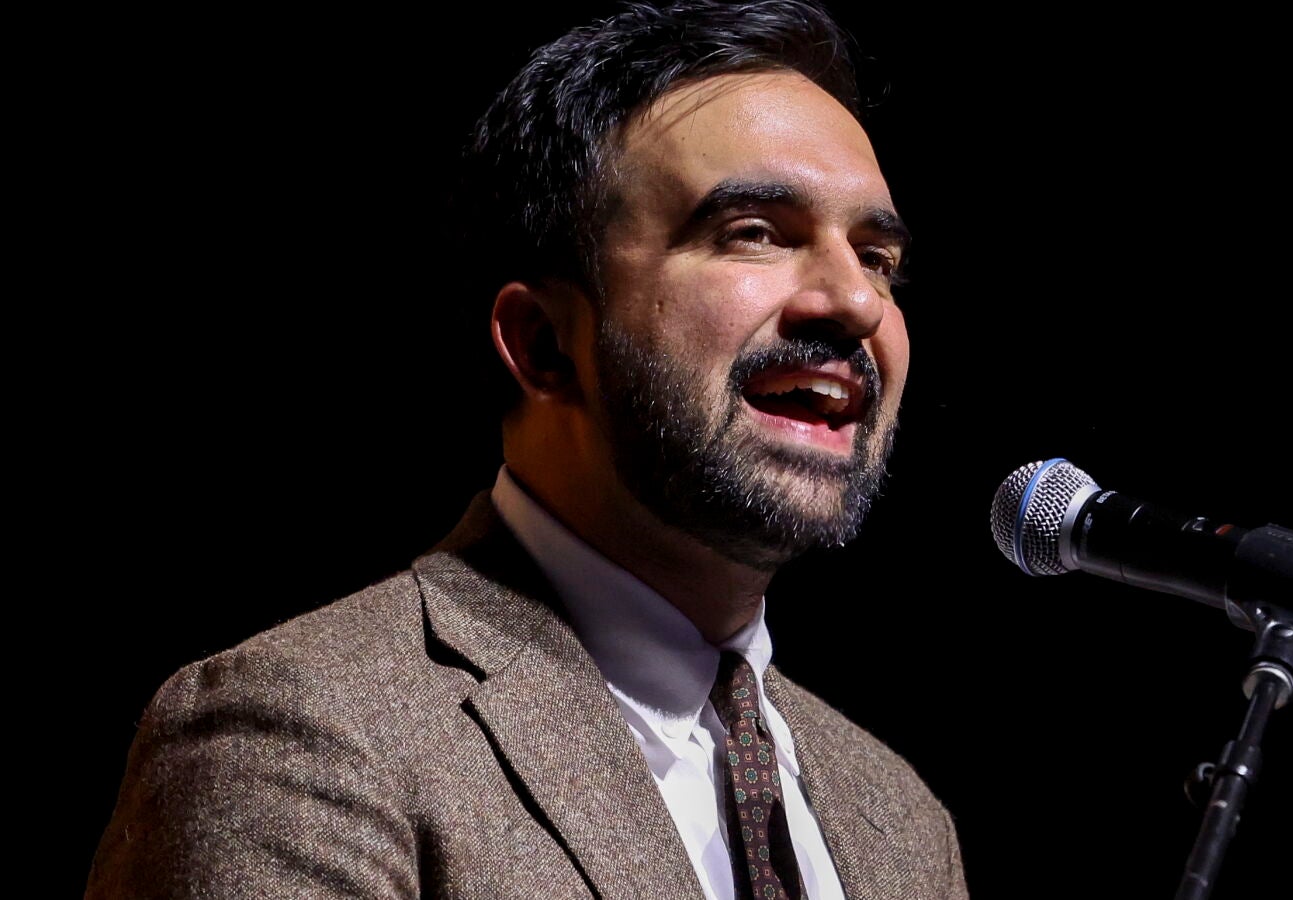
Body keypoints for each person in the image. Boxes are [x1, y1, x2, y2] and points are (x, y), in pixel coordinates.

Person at [86, 1, 967, 897]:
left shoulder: (900, 817)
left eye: (877, 258)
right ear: (544, 344)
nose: (856, 303)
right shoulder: (302, 737)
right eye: (756, 234)